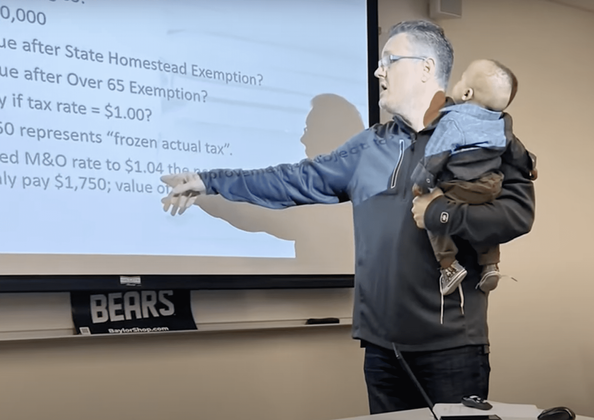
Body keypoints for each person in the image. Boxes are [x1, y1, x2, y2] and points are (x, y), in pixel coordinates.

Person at [161, 20, 536, 415]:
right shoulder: (368, 147)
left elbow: (517, 214)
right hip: (382, 352)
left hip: (453, 352)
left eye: (390, 60)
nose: (378, 71)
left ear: (426, 69)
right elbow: (293, 179)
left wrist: (441, 214)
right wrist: (210, 181)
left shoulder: (484, 133)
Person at [410, 58, 529, 297]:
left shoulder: (452, 121)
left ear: (466, 92)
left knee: (433, 211)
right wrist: (530, 165)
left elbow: (436, 156)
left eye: (462, 76)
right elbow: (517, 151)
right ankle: (490, 264)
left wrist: (421, 183)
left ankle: (449, 266)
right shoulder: (502, 122)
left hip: (460, 185)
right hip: (491, 186)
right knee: (485, 218)